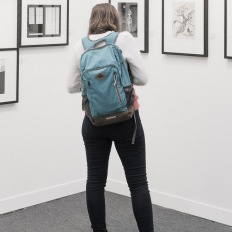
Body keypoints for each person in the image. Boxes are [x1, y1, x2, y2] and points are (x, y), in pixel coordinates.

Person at [67, 3, 154, 232]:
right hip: (126, 120)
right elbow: (143, 78)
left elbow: (71, 86)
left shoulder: (80, 46)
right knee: (137, 183)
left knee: (95, 181)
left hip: (93, 122)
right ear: (115, 19)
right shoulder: (122, 39)